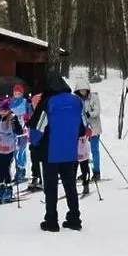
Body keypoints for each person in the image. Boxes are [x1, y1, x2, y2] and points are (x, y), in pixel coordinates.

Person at [29, 71, 85, 231]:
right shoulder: (77, 101)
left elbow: (38, 129)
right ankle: (75, 218)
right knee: (70, 185)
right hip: (70, 152)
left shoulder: (48, 102)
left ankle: (51, 220)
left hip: (50, 152)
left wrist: (35, 143)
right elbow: (83, 126)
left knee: (51, 188)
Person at [74, 78, 103, 181]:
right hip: (82, 130)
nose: (83, 92)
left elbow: (97, 110)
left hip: (94, 128)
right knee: (82, 152)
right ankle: (84, 172)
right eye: (80, 90)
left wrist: (89, 113)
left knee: (94, 150)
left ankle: (96, 171)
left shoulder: (93, 97)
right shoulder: (77, 99)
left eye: (84, 90)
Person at [9, 84, 30, 184]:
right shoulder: (10, 102)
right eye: (15, 93)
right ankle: (17, 170)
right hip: (13, 130)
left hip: (23, 129)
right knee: (15, 151)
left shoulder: (25, 102)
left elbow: (30, 113)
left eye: (19, 93)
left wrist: (27, 118)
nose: (17, 95)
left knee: (21, 150)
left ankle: (21, 171)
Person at [27, 92, 44, 190]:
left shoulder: (44, 114)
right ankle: (35, 177)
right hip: (33, 140)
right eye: (34, 104)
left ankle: (42, 178)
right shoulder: (31, 113)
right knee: (34, 159)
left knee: (42, 160)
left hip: (42, 141)